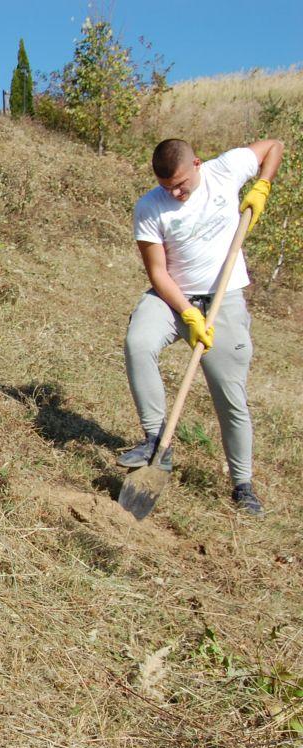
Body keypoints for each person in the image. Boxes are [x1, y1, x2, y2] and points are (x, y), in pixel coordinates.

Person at [118, 137, 284, 516]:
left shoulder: (225, 170)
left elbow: (273, 146)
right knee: (138, 341)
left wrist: (263, 185)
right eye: (166, 187)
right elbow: (158, 273)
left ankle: (242, 484)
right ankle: (157, 439)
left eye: (180, 183)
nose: (175, 193)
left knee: (229, 395)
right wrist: (188, 313)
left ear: (197, 163)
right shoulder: (149, 207)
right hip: (173, 297)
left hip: (224, 299)